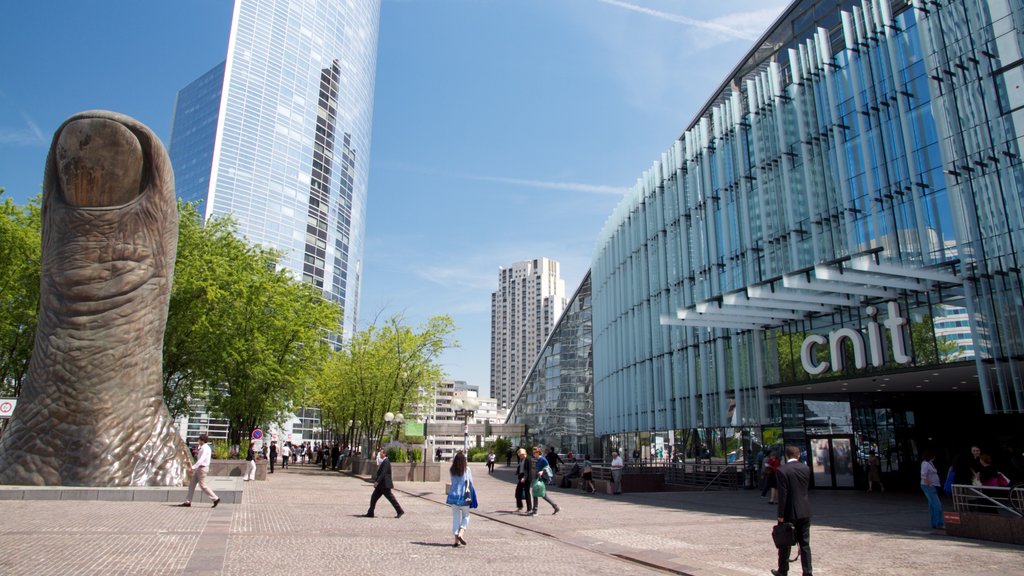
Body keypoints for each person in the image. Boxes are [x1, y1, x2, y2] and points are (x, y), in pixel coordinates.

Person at [772, 445, 811, 576]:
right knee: (805, 544)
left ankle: (783, 570)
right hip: (805, 511)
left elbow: (783, 495)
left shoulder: (782, 470)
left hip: (789, 512)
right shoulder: (806, 468)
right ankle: (807, 572)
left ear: (786, 456)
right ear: (798, 456)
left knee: (784, 543)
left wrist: (780, 515)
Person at [178, 434, 221, 508]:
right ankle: (188, 501)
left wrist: (193, 467)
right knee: (192, 484)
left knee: (203, 485)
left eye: (199, 440)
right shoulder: (203, 447)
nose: (198, 441)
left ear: (202, 440)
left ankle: (215, 498)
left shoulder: (205, 448)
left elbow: (201, 459)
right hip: (200, 468)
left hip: (202, 468)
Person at [363, 449, 404, 518]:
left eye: (381, 453)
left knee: (391, 499)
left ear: (384, 454)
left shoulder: (386, 462)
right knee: (373, 498)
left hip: (384, 485)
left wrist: (377, 482)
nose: (379, 454)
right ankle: (370, 512)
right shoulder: (384, 461)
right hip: (381, 486)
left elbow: (383, 473)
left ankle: (399, 511)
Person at [445, 451, 473, 547]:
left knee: (456, 518)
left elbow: (453, 481)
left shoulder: (451, 470)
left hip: (453, 495)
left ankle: (456, 541)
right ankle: (461, 532)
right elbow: (470, 482)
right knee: (466, 516)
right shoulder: (467, 469)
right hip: (464, 496)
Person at [530, 447, 560, 515]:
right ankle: (555, 507)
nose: (533, 454)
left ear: (538, 452)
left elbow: (548, 467)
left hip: (541, 479)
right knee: (540, 494)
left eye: (535, 452)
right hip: (537, 478)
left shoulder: (542, 459)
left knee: (539, 494)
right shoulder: (538, 459)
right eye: (533, 453)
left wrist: (542, 472)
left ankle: (535, 510)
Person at [920, 450, 944, 530]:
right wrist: (929, 483)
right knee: (937, 505)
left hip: (930, 485)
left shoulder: (929, 463)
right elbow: (923, 475)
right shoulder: (926, 464)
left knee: (932, 505)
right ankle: (938, 523)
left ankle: (934, 523)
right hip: (929, 485)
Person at [515, 448, 534, 514]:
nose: (520, 456)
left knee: (527, 493)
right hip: (521, 477)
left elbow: (528, 470)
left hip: (527, 477)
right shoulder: (522, 459)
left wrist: (524, 477)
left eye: (520, 455)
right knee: (517, 492)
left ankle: (529, 509)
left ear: (524, 454)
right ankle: (520, 506)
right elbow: (520, 467)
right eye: (519, 455)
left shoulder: (528, 459)